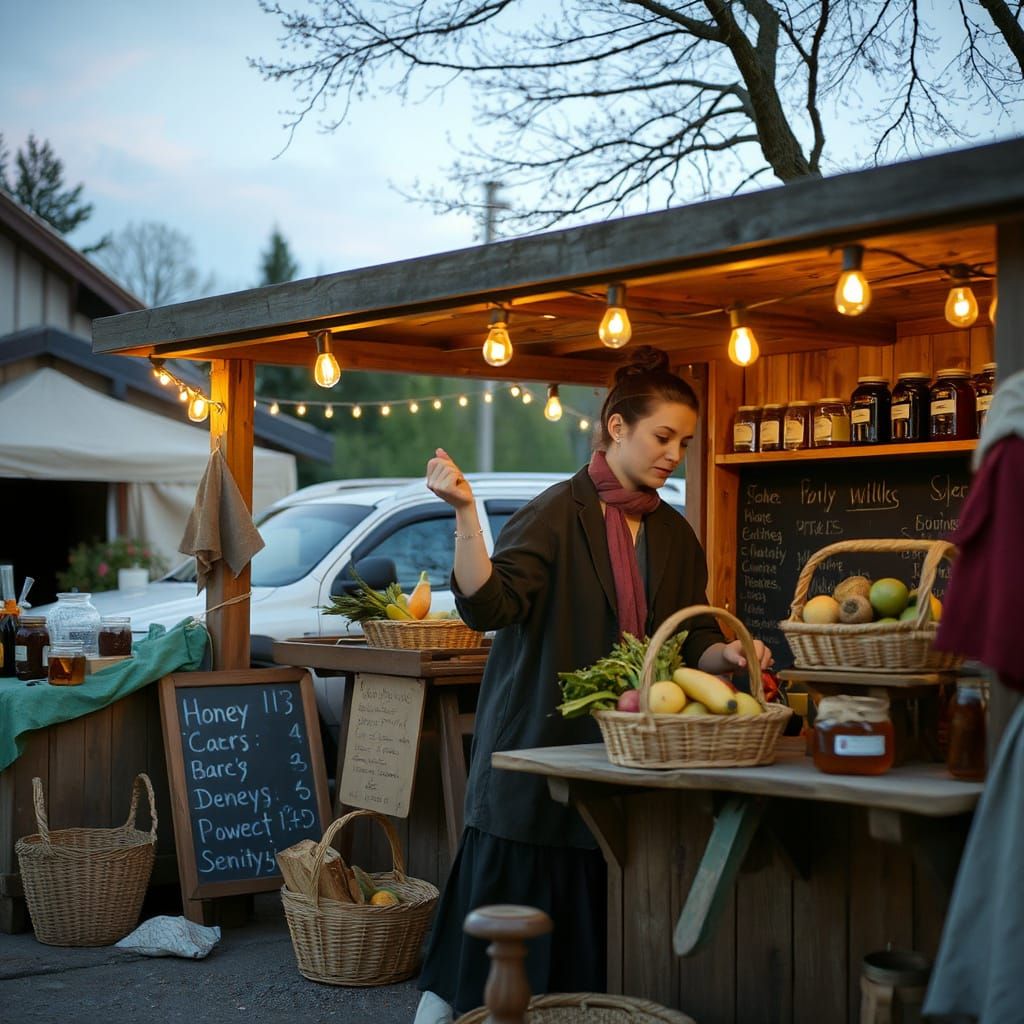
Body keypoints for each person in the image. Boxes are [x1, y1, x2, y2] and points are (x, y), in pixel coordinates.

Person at [414, 345, 773, 1022]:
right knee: (477, 964)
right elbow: (489, 607)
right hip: (536, 759)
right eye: (663, 436)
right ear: (616, 427)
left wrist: (724, 654)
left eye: (685, 442)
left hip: (620, 769)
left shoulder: (673, 534)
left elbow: (685, 638)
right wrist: (465, 514)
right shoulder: (558, 513)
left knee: (575, 966)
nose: (675, 454)